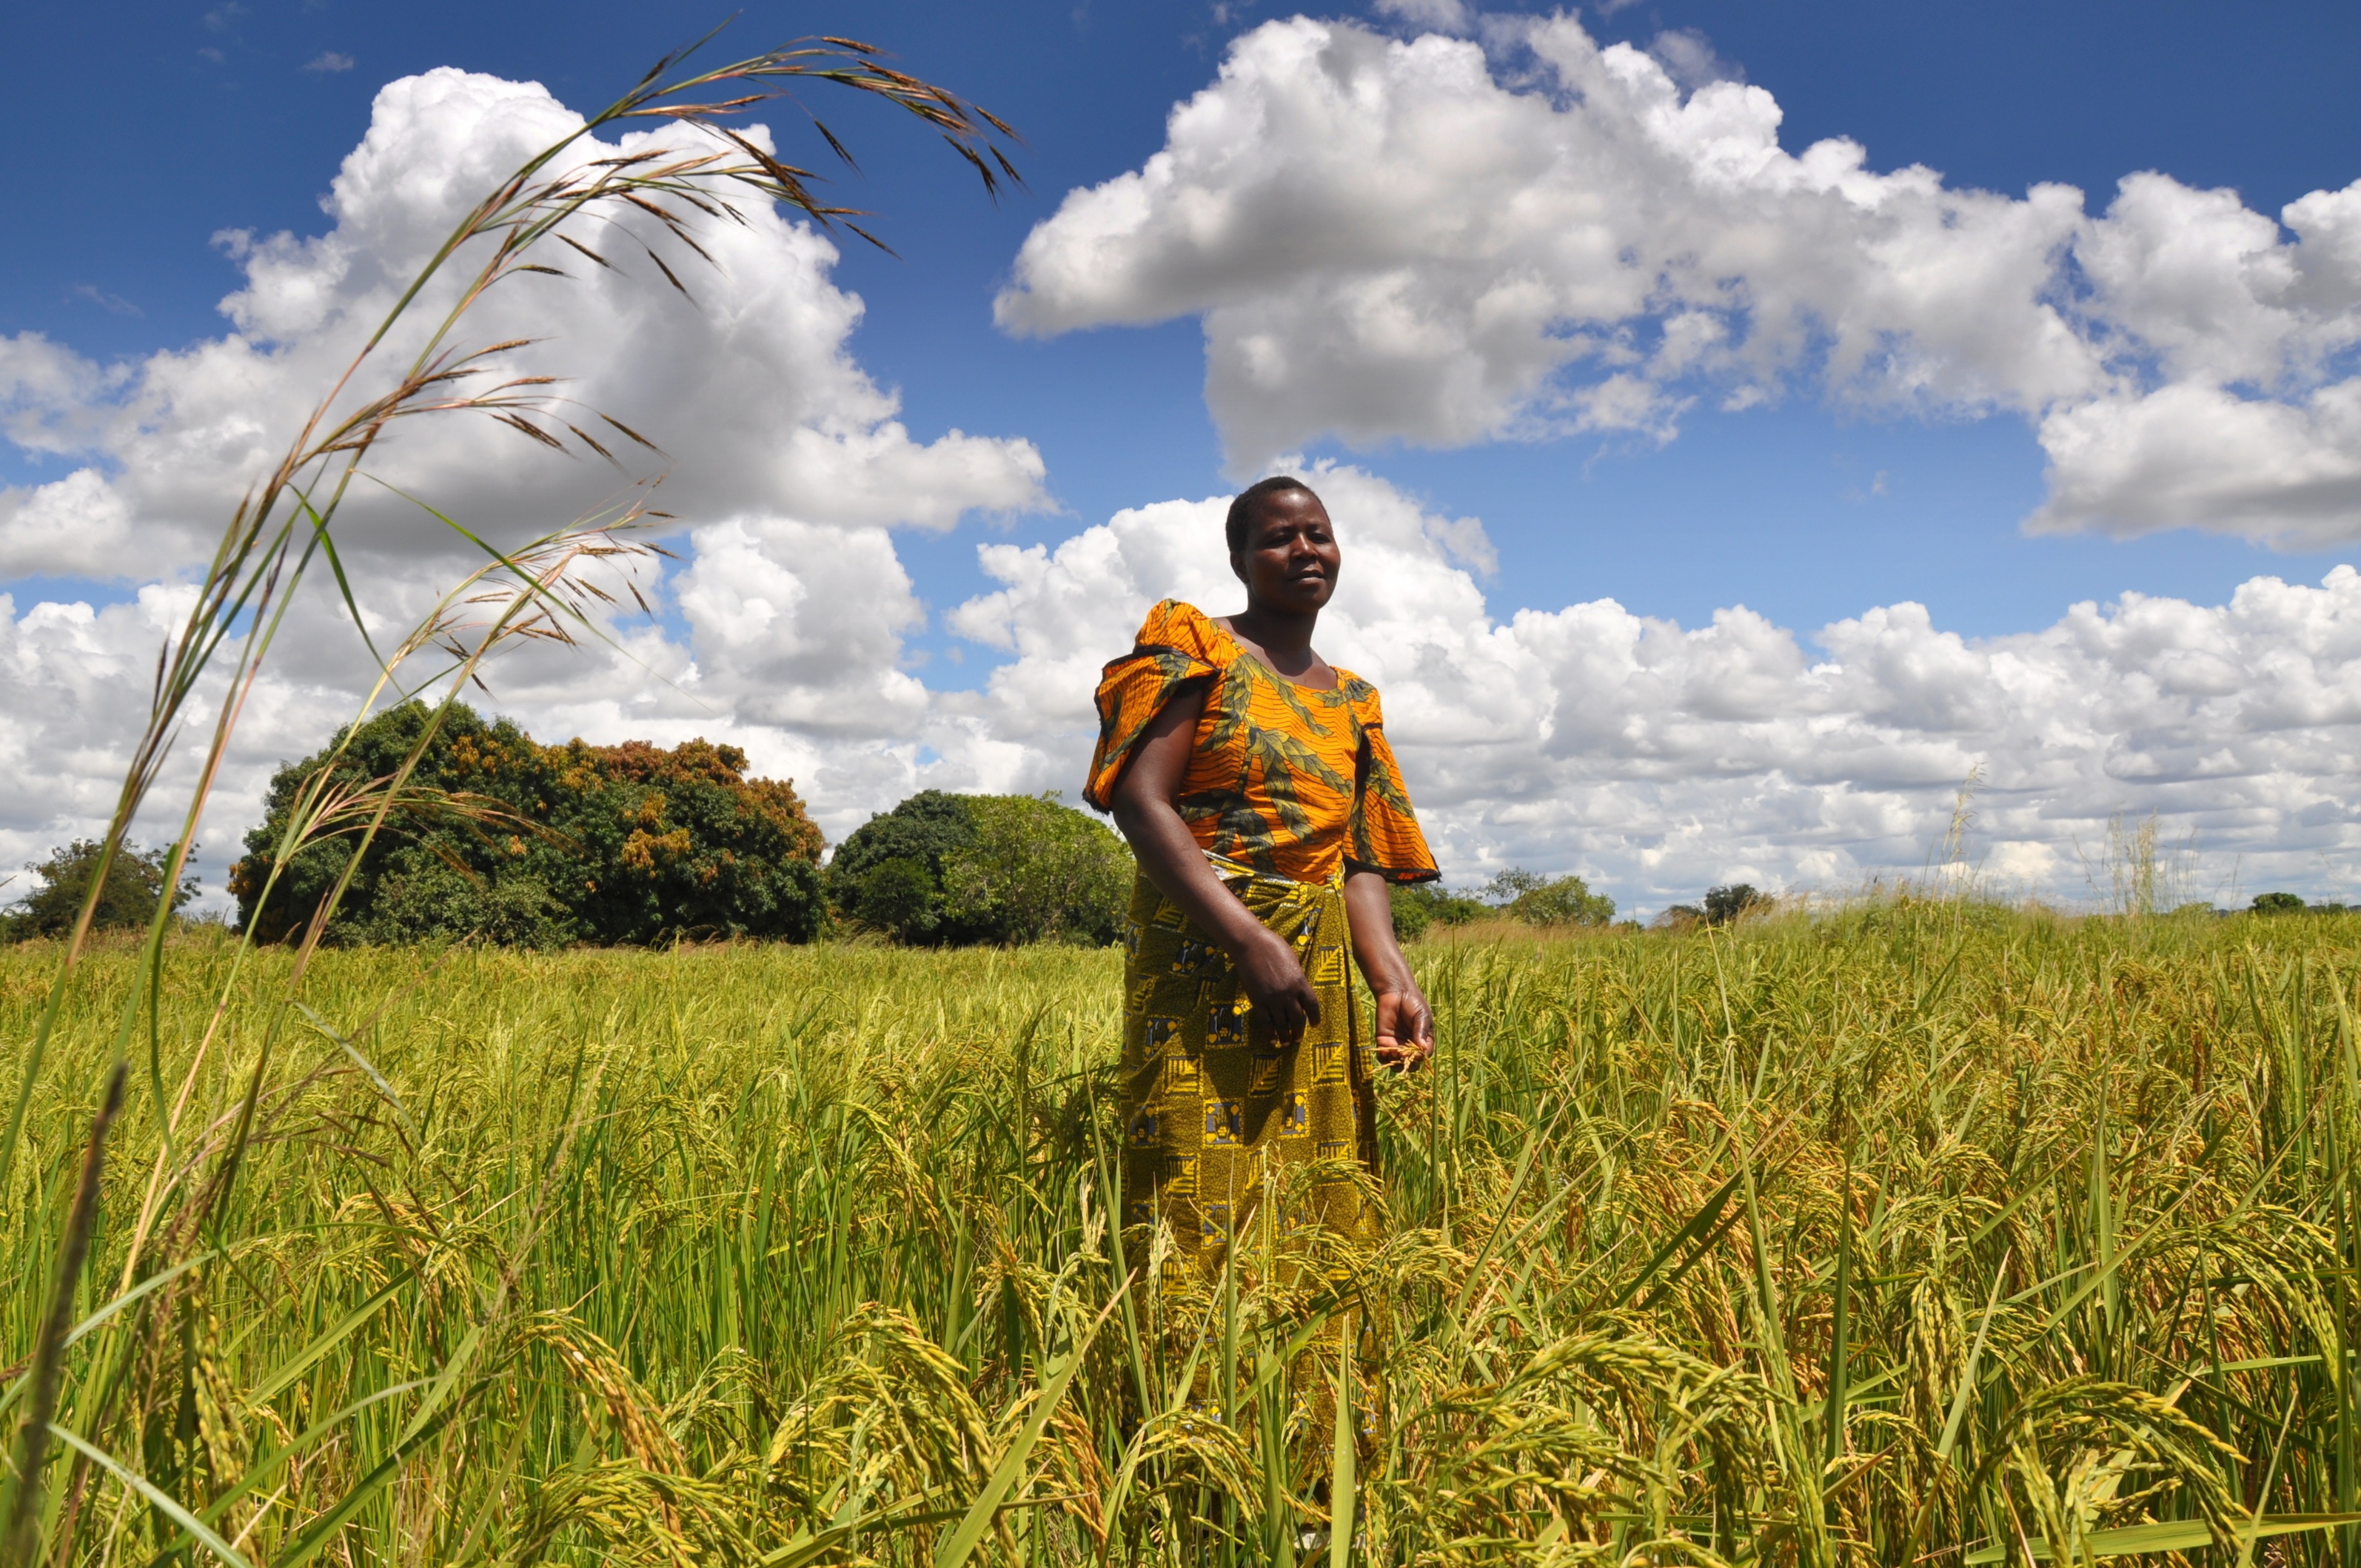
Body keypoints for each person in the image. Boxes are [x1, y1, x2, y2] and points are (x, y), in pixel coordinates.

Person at [1084, 475, 1439, 1282]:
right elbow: (1142, 804)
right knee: (1190, 1189)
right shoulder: (1196, 647)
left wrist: (1390, 977)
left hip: (1314, 964)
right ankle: (1184, 1390)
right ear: (1241, 560)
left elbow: (1359, 858)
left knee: (1320, 1197)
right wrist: (1249, 941)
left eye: (1318, 533)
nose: (1304, 549)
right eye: (1279, 537)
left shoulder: (1354, 699)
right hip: (1204, 947)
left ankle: (1317, 1399)